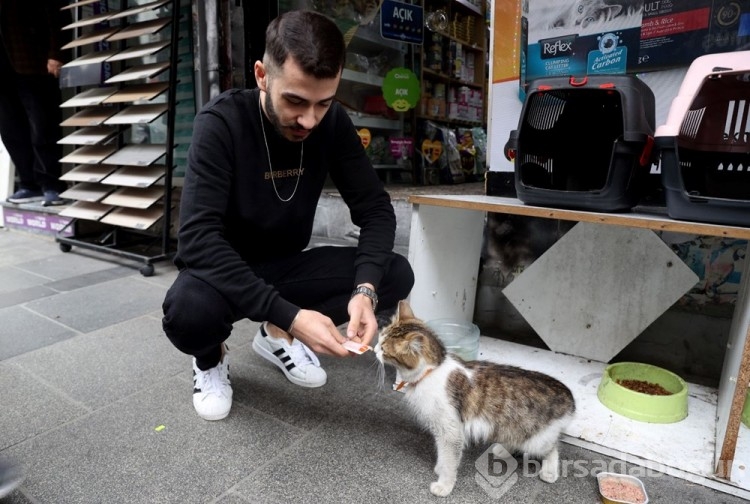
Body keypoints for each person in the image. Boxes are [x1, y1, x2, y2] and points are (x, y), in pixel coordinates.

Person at [161, 10, 414, 421]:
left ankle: (273, 336)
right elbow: (198, 241)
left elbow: (375, 210)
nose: (309, 119)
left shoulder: (330, 123)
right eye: (295, 100)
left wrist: (364, 292)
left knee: (395, 273)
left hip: (286, 265)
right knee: (188, 312)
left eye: (323, 103)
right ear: (262, 75)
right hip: (221, 272)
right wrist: (293, 316)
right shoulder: (220, 123)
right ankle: (209, 361)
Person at [0, 0, 71, 206]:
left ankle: (51, 185)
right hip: (3, 70)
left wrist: (57, 54)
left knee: (43, 126)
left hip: (33, 61)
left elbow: (58, 14)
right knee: (11, 130)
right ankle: (28, 184)